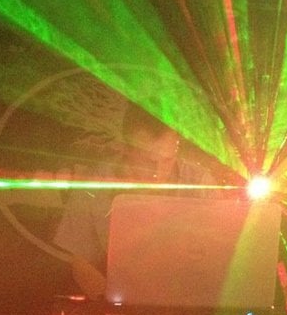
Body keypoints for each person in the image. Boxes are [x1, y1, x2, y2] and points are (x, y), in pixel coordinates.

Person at [53, 104, 212, 298]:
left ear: (177, 146)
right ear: (125, 149)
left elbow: (220, 256)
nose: (157, 172)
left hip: (188, 301)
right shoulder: (95, 185)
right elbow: (81, 263)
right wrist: (112, 302)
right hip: (121, 301)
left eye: (167, 160)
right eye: (147, 162)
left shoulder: (200, 184)